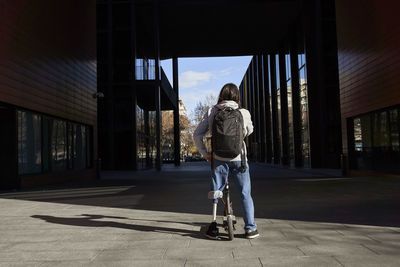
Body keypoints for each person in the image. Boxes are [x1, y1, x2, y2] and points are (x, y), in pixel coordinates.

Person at [193, 83, 259, 239]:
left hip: (218, 159)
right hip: (239, 159)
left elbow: (197, 134)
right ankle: (250, 228)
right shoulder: (243, 112)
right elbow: (249, 130)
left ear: (221, 96)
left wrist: (205, 153)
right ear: (237, 97)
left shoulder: (212, 111)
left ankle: (213, 226)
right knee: (245, 193)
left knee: (217, 191)